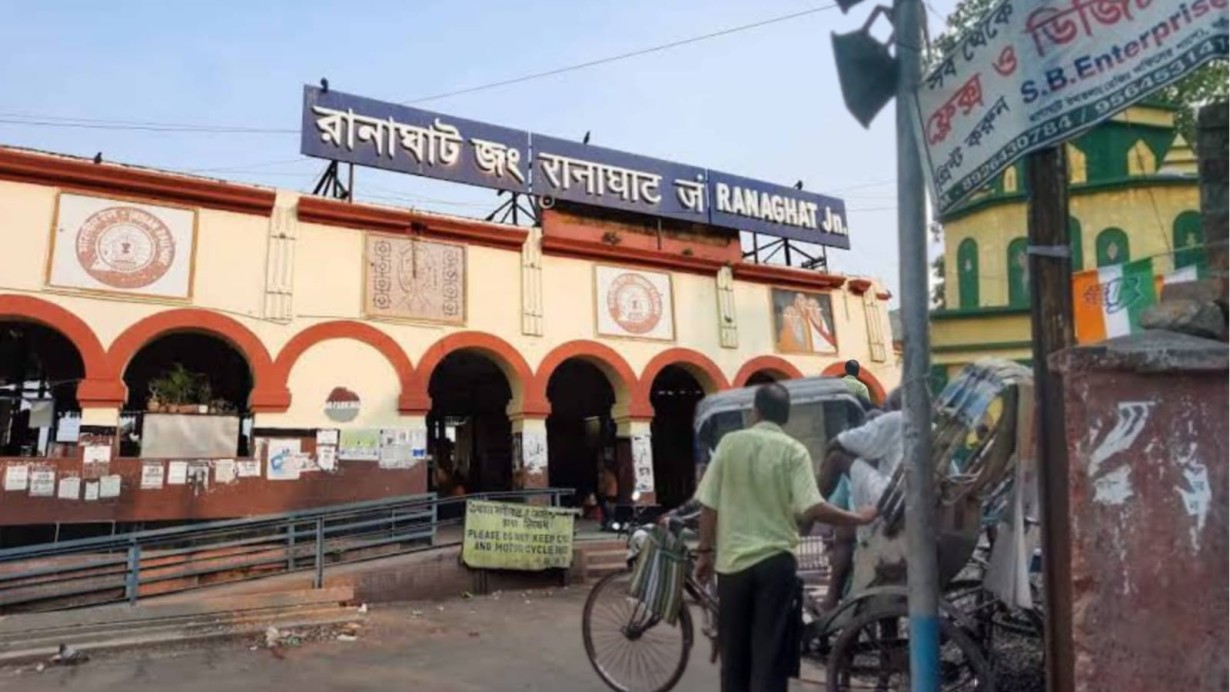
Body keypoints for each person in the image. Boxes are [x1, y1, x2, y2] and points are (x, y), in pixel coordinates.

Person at [694, 383, 876, 692]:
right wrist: (858, 517)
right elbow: (814, 506)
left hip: (732, 568)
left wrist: (704, 552)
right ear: (785, 417)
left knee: (734, 656)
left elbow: (708, 505)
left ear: (755, 412)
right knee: (770, 655)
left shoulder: (729, 444)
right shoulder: (794, 451)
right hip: (775, 566)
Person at [817, 388, 903, 610]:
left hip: (890, 505)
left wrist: (824, 465)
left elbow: (838, 442)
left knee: (836, 457)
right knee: (845, 532)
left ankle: (809, 509)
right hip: (905, 504)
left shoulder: (893, 421)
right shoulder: (927, 428)